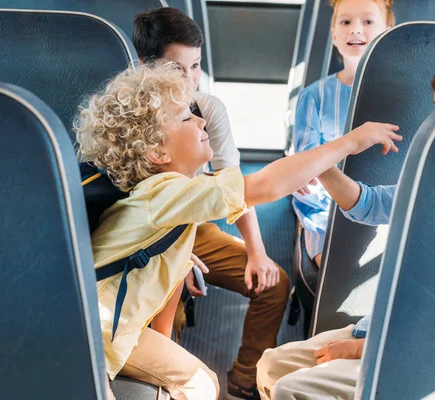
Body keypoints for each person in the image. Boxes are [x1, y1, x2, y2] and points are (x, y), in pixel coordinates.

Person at [75, 62, 401, 399]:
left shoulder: (174, 195)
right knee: (199, 385)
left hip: (116, 327)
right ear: (157, 152)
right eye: (187, 118)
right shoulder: (164, 194)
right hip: (96, 332)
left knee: (203, 381)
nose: (201, 121)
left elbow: (167, 281)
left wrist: (166, 344)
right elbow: (266, 185)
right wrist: (349, 142)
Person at [256, 46, 435, 400]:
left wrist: (363, 350)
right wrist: (323, 163)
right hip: (384, 331)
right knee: (272, 365)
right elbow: (370, 204)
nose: (431, 124)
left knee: (291, 389)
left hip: (418, 352)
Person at [132, 8, 289, 398]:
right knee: (167, 308)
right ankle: (164, 386)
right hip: (145, 236)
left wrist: (257, 252)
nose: (188, 81)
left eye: (196, 66)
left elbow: (234, 186)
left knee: (273, 284)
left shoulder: (208, 110)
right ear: (145, 67)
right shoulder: (130, 116)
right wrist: (176, 259)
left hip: (194, 227)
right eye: (175, 68)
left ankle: (244, 378)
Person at [292, 0, 395, 268]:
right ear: (334, 34)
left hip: (391, 207)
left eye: (368, 22)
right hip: (328, 209)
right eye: (346, 22)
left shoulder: (402, 95)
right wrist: (306, 179)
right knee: (339, 268)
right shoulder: (313, 97)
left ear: (388, 30)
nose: (355, 30)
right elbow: (306, 168)